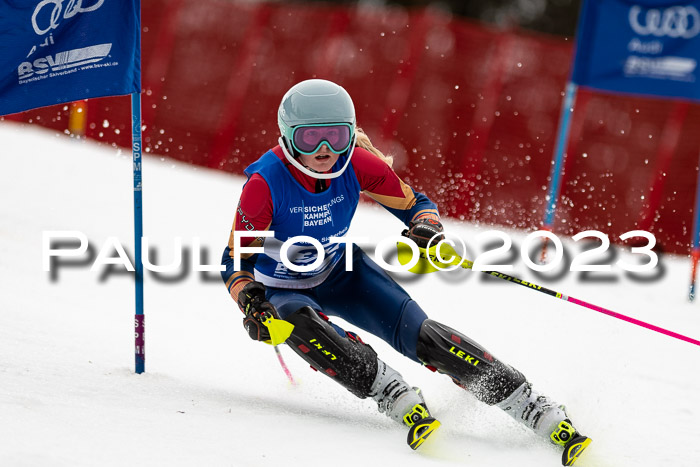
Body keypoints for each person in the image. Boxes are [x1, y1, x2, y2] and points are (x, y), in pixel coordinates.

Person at [221, 79, 590, 465]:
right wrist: (252, 301)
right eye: (310, 138)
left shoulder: (358, 163)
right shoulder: (265, 183)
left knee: (424, 336)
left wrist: (426, 229)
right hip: (281, 286)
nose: (325, 150)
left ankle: (532, 407)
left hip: (340, 273)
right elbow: (234, 263)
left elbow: (418, 205)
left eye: (336, 136)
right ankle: (391, 393)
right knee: (296, 320)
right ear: (288, 137)